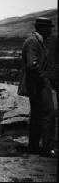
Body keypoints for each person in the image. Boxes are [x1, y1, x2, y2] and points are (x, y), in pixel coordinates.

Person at [20, 17, 56, 158]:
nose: (50, 31)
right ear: (42, 28)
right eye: (49, 28)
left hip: (36, 84)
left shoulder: (36, 41)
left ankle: (33, 147)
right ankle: (47, 148)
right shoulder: (33, 42)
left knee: (36, 116)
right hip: (38, 85)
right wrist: (45, 77)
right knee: (49, 114)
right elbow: (32, 65)